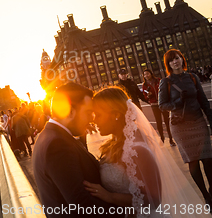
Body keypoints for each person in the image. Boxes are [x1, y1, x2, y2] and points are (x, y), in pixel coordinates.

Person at [85, 87, 209, 217]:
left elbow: (154, 200)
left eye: (98, 115)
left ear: (116, 114)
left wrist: (110, 197)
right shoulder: (112, 145)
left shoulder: (138, 150)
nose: (94, 120)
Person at [32, 82, 123, 217]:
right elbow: (81, 204)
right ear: (70, 112)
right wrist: (126, 213)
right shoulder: (57, 145)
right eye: (87, 113)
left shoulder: (50, 135)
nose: (91, 120)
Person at [159, 49, 212, 204]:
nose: (175, 62)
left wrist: (210, 118)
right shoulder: (166, 82)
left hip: (198, 122)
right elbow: (162, 105)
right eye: (171, 60)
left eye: (177, 58)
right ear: (168, 64)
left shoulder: (193, 77)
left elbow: (203, 100)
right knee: (193, 161)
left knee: (208, 159)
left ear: (182, 59)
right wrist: (177, 103)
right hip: (180, 127)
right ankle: (206, 197)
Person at [142, 69, 175, 146]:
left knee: (167, 121)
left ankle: (171, 139)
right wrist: (148, 96)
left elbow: (165, 90)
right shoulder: (145, 85)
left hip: (162, 104)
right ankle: (162, 139)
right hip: (154, 105)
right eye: (145, 74)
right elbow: (145, 96)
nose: (146, 76)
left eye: (147, 74)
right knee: (158, 122)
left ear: (151, 73)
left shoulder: (158, 80)